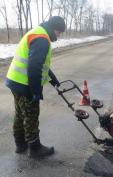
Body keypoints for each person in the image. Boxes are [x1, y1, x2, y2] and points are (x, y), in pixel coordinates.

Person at [5, 16, 66, 158]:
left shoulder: (37, 33)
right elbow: (34, 67)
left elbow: (40, 65)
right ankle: (35, 148)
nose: (59, 35)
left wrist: (53, 80)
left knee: (20, 114)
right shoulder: (42, 39)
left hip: (15, 81)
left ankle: (20, 145)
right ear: (55, 29)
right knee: (31, 115)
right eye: (59, 32)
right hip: (24, 84)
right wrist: (36, 92)